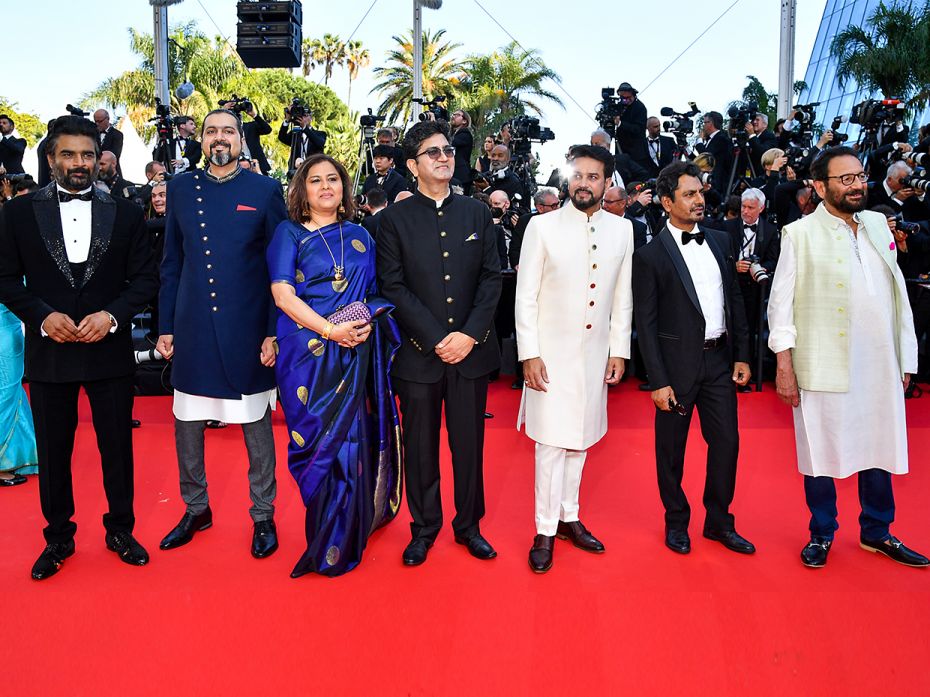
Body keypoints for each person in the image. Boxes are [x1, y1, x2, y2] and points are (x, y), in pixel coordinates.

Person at [0, 115, 158, 579]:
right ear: (50, 159)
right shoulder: (18, 214)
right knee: (53, 453)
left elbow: (146, 279)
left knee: (117, 448)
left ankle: (121, 530)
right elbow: (5, 278)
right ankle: (58, 538)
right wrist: (42, 317)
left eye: (87, 154)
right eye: (68, 154)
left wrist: (111, 316)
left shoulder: (127, 212)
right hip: (50, 352)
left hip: (107, 350)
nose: (79, 163)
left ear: (100, 159)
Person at [767, 146, 929, 568]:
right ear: (820, 187)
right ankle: (821, 533)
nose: (857, 185)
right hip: (823, 360)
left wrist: (904, 357)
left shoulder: (877, 223)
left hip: (880, 361)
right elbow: (779, 305)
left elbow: (897, 292)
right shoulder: (799, 234)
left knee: (879, 444)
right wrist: (784, 364)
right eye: (846, 179)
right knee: (821, 448)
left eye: (859, 176)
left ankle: (877, 531)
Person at [157, 109, 288, 559]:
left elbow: (280, 270)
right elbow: (171, 262)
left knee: (255, 423)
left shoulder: (266, 190)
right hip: (192, 323)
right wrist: (166, 327)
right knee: (188, 422)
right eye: (211, 130)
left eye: (228, 131)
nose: (219, 138)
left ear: (240, 139)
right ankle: (196, 508)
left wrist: (273, 331)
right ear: (202, 139)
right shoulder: (179, 188)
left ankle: (263, 514)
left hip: (248, 324)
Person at [266, 154, 402, 576]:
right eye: (315, 181)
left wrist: (362, 321)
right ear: (302, 191)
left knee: (353, 441)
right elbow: (283, 296)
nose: (326, 187)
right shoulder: (287, 233)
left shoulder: (361, 234)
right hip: (307, 353)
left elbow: (376, 291)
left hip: (357, 348)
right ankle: (324, 535)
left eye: (333, 180)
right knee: (317, 442)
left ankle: (349, 530)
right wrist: (331, 330)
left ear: (344, 189)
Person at [376, 119, 502, 566]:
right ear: (412, 164)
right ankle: (424, 528)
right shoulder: (391, 221)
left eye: (448, 150)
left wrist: (468, 335)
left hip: (471, 353)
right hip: (417, 355)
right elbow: (392, 286)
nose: (445, 156)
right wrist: (435, 338)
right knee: (422, 448)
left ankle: (469, 527)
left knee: (469, 446)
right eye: (433, 152)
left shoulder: (477, 212)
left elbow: (492, 279)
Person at [516, 145, 633, 573]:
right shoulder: (541, 227)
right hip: (549, 357)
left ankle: (569, 517)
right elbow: (524, 296)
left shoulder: (624, 231)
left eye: (593, 176)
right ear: (569, 179)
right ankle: (544, 528)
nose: (584, 182)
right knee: (550, 443)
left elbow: (623, 297)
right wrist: (529, 353)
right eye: (578, 175)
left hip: (593, 357)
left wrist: (619, 348)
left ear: (607, 184)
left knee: (580, 439)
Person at [631, 160, 755, 556]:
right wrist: (658, 379)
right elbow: (645, 324)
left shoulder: (720, 241)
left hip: (719, 362)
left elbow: (734, 299)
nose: (699, 199)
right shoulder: (650, 256)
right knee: (671, 451)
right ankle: (676, 521)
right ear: (667, 202)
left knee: (727, 444)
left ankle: (719, 522)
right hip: (675, 367)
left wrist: (742, 355)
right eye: (689, 194)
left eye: (700, 192)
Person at [726, 187, 780, 373]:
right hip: (731, 285)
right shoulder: (727, 227)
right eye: (743, 206)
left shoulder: (771, 231)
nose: (745, 211)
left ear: (761, 208)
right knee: (728, 327)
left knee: (748, 329)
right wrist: (734, 266)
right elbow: (718, 256)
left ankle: (745, 370)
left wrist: (761, 268)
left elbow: (774, 259)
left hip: (754, 288)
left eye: (750, 207)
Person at [0, 301, 37, 486]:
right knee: (5, 396)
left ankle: (15, 457)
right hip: (4, 330)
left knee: (11, 394)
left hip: (9, 327)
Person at [612, 82, 650, 171]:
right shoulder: (620, 106)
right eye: (623, 98)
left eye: (628, 98)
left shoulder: (640, 107)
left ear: (633, 95)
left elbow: (638, 129)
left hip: (636, 152)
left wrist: (620, 123)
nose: (626, 100)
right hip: (621, 148)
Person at [278, 107, 327, 173]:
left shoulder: (320, 134)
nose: (303, 118)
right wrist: (287, 121)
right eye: (301, 116)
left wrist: (304, 128)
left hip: (315, 169)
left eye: (305, 116)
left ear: (311, 118)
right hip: (296, 170)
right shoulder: (295, 133)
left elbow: (320, 143)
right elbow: (282, 137)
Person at [696, 111, 733, 196]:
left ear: (711, 123)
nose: (703, 126)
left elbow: (705, 157)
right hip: (709, 182)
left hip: (717, 184)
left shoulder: (721, 138)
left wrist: (699, 141)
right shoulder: (711, 140)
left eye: (705, 122)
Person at [450, 109, 474, 191]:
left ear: (464, 121)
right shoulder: (454, 134)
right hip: (455, 174)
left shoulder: (465, 133)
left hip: (462, 176)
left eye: (457, 115)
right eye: (453, 114)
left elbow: (450, 142)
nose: (453, 116)